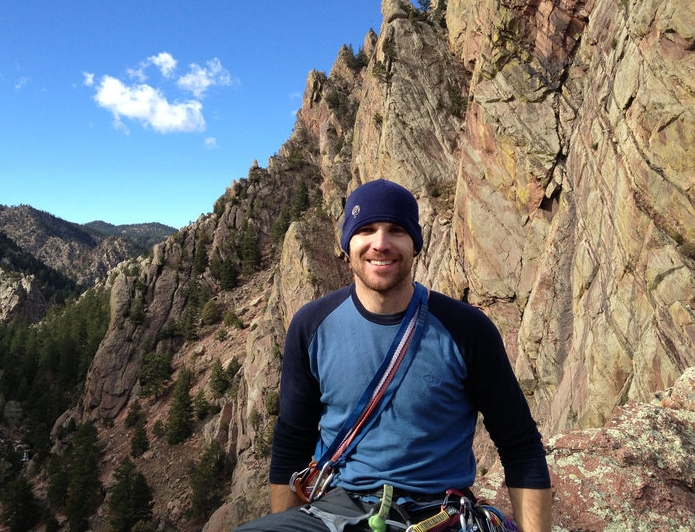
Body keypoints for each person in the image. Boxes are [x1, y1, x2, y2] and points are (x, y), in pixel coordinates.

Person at [235, 179, 551, 532]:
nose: (380, 244)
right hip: (336, 511)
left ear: (415, 244)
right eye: (366, 229)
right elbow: (292, 442)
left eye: (396, 230)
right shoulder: (312, 326)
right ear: (348, 244)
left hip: (438, 513)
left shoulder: (467, 329)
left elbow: (519, 445)